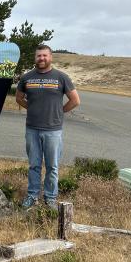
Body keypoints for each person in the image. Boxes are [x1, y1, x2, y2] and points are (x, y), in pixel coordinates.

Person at [16, 44, 80, 212]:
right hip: (32, 129)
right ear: (35, 58)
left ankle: (50, 198)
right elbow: (19, 98)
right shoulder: (27, 77)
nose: (41, 58)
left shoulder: (61, 77)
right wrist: (31, 108)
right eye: (39, 56)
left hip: (53, 130)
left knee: (52, 166)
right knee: (34, 165)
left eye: (44, 55)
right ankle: (32, 195)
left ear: (50, 57)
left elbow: (75, 100)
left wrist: (60, 112)